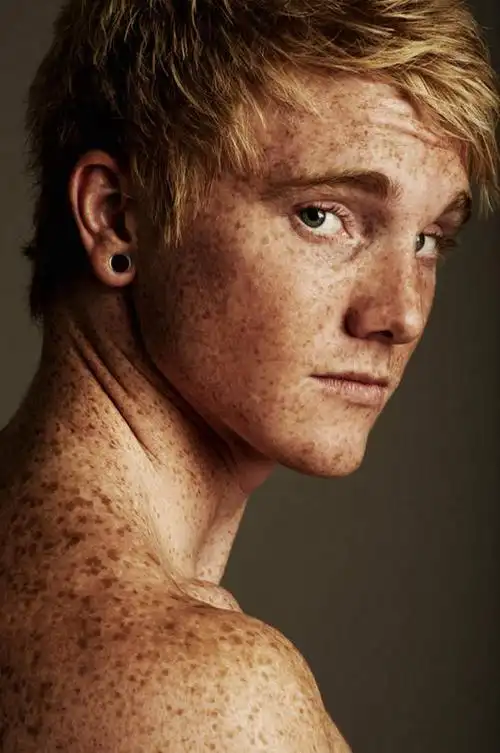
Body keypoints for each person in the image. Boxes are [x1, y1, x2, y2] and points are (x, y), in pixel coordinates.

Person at [0, 0, 498, 750]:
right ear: (118, 217)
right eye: (322, 215)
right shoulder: (207, 695)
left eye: (429, 238)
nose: (402, 314)